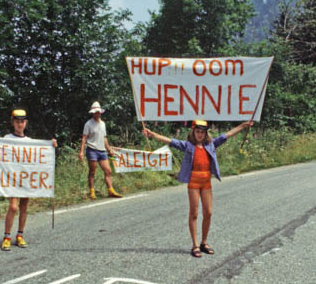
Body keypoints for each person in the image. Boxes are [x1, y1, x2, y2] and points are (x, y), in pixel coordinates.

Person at [143, 119, 253, 258]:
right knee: (194, 213)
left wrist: (243, 126)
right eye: (197, 132)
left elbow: (228, 135)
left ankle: (204, 243)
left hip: (206, 182)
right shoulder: (187, 145)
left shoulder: (211, 144)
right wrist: (152, 134)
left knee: (208, 213)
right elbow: (170, 141)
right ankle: (195, 245)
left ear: (206, 133)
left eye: (202, 132)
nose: (200, 135)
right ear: (193, 132)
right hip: (193, 183)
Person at [0, 109, 57, 251]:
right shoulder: (7, 138)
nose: (20, 124)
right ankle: (6, 237)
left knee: (24, 207)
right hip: (12, 179)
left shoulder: (29, 141)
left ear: (26, 123)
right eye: (17, 121)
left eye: (22, 122)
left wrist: (51, 144)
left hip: (26, 179)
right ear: (13, 122)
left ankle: (20, 235)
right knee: (13, 207)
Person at [78, 101, 122, 200]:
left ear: (100, 112)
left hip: (102, 150)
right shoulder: (88, 124)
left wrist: (109, 149)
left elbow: (104, 137)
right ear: (92, 113)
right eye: (95, 112)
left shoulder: (103, 124)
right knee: (92, 172)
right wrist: (81, 151)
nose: (97, 113)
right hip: (92, 149)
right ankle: (92, 192)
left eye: (98, 112)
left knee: (108, 170)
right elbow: (84, 138)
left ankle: (110, 190)